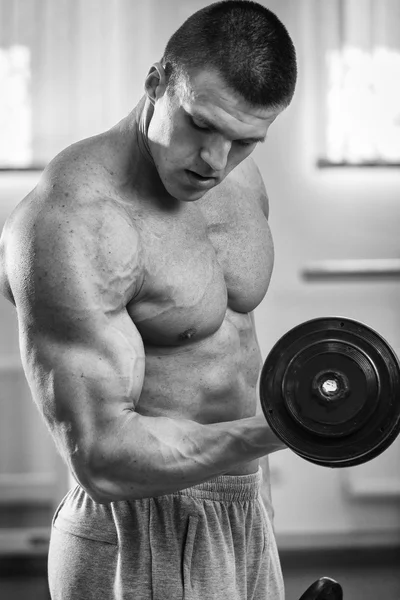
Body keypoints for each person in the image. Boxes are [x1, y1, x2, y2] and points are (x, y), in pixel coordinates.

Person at [0, 1, 297, 598]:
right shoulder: (73, 219)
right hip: (140, 529)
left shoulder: (239, 181)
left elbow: (237, 351)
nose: (215, 161)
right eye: (201, 125)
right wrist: (287, 428)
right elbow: (103, 455)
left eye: (244, 140)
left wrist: (257, 502)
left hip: (241, 515)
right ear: (157, 82)